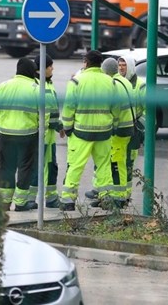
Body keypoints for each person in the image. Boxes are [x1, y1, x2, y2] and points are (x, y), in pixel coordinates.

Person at [59, 50, 120, 211]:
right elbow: (116, 108)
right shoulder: (110, 81)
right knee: (104, 167)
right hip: (104, 132)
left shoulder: (76, 81)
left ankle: (68, 201)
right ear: (100, 63)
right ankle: (106, 198)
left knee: (75, 166)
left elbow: (69, 107)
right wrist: (113, 125)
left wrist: (67, 128)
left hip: (81, 132)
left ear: (86, 62)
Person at [0, 58, 41, 212]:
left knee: (6, 168)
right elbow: (43, 114)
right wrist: (41, 133)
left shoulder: (3, 86)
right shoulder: (35, 88)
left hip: (5, 135)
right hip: (28, 135)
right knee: (25, 168)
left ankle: (4, 203)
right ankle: (20, 203)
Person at [86, 57, 134, 208]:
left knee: (117, 163)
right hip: (126, 128)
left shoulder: (114, 84)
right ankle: (112, 196)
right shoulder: (124, 81)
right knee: (116, 162)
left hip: (118, 130)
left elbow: (114, 109)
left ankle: (119, 198)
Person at [29, 54, 65, 209]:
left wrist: (59, 125)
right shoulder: (36, 85)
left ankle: (51, 199)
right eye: (50, 66)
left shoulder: (48, 84)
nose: (52, 68)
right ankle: (29, 199)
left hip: (49, 135)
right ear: (41, 69)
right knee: (35, 168)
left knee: (51, 167)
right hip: (39, 134)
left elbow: (53, 110)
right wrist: (58, 125)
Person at [119, 55, 144, 201]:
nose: (121, 68)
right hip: (119, 131)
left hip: (133, 131)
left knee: (128, 163)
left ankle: (126, 195)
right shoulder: (117, 83)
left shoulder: (140, 85)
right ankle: (117, 194)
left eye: (124, 65)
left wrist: (139, 127)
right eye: (119, 65)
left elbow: (147, 110)